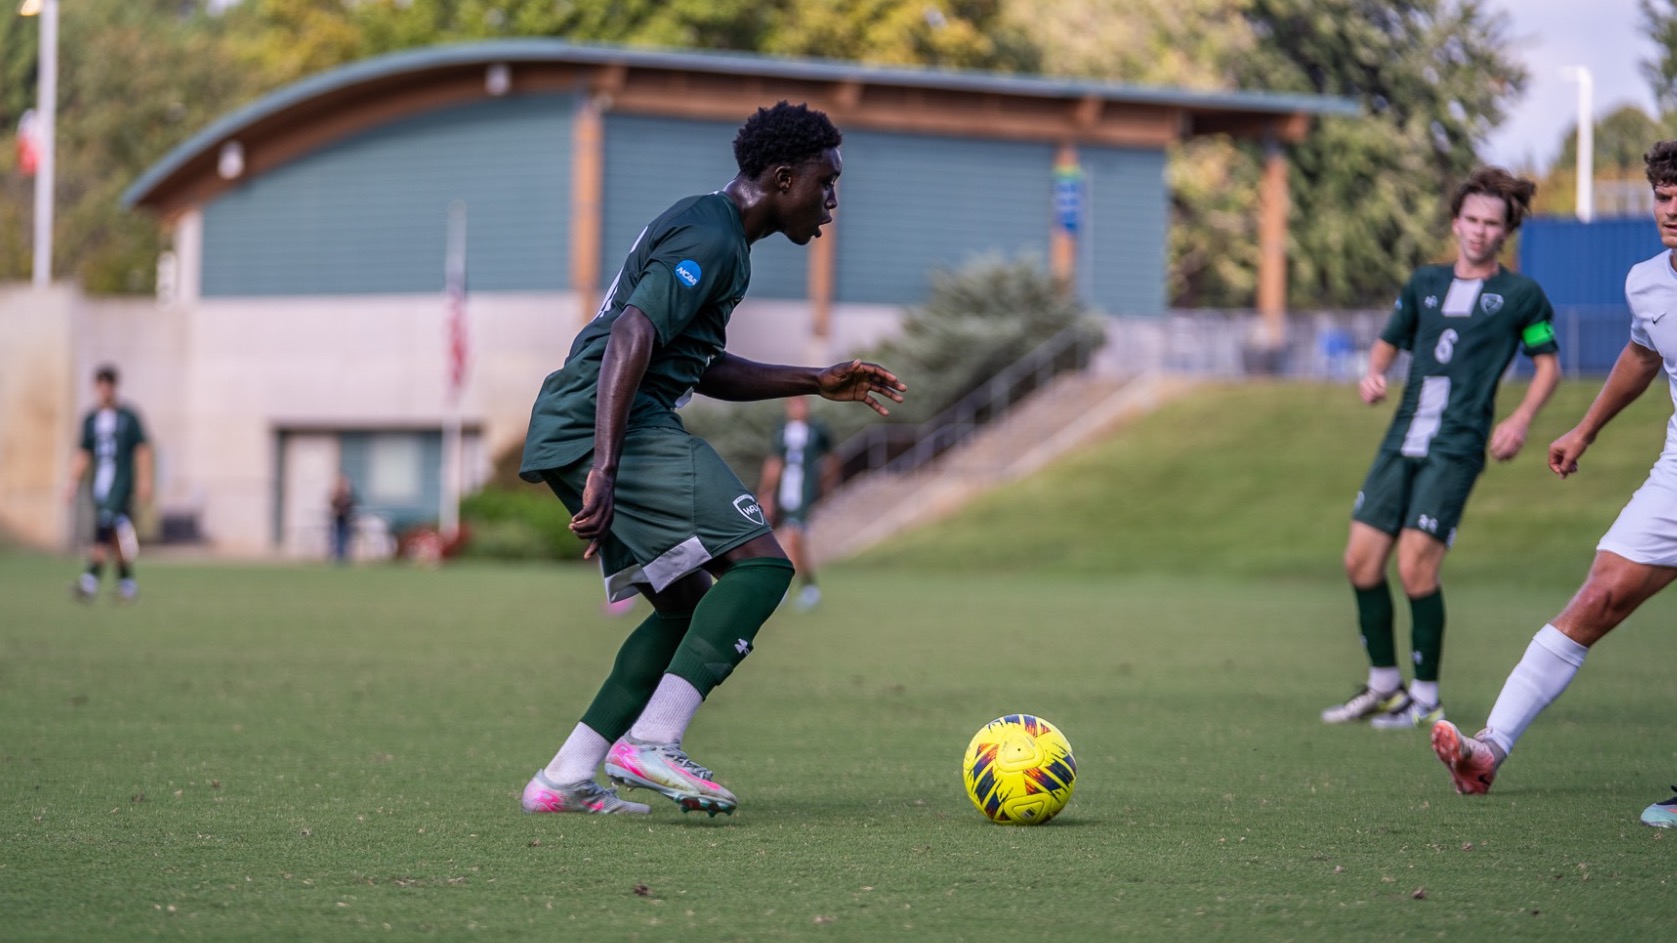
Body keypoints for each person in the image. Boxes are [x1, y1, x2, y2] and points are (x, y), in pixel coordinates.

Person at [515, 101, 906, 817]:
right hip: (611, 424)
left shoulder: (720, 236)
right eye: (825, 183)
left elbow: (700, 365)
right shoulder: (712, 235)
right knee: (762, 566)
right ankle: (653, 741)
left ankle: (565, 775)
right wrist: (605, 464)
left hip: (587, 423)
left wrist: (814, 379)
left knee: (684, 604)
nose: (831, 202)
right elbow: (633, 329)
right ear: (783, 177)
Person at [1432, 142, 1677, 829]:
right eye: (1662, 196)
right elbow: (1642, 350)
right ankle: (1488, 749)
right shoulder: (1645, 282)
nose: (1672, 209)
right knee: (1597, 594)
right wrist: (1585, 428)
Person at [1321, 167, 1561, 730]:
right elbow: (1386, 344)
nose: (1479, 231)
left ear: (1506, 232)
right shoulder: (1424, 284)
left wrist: (1521, 420)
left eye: (1491, 223)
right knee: (1359, 562)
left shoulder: (1519, 296)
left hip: (1456, 445)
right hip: (1402, 438)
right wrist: (1374, 376)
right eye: (1471, 220)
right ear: (1456, 222)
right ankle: (1385, 685)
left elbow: (1548, 366)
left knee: (1415, 568)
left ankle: (1426, 698)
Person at [66, 365, 152, 603]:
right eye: (102, 384)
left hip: (120, 485)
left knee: (102, 532)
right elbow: (83, 453)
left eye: (110, 384)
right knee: (114, 539)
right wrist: (72, 482)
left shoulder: (128, 417)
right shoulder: (91, 419)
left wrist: (145, 481)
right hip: (99, 488)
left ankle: (89, 582)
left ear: (115, 386)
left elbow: (142, 450)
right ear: (96, 387)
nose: (106, 389)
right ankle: (128, 584)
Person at [759, 396, 838, 611]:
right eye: (793, 404)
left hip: (804, 493)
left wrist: (826, 488)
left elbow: (831, 459)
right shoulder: (781, 430)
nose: (797, 408)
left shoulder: (817, 429)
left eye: (801, 404)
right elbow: (774, 463)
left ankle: (784, 590)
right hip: (785, 492)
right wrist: (766, 493)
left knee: (793, 538)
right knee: (794, 542)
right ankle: (809, 588)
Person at [328, 474, 357, 564]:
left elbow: (353, 504)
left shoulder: (349, 495)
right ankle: (339, 557)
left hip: (347, 519)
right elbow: (333, 504)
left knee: (346, 539)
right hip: (338, 520)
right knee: (337, 538)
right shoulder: (336, 495)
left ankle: (346, 557)